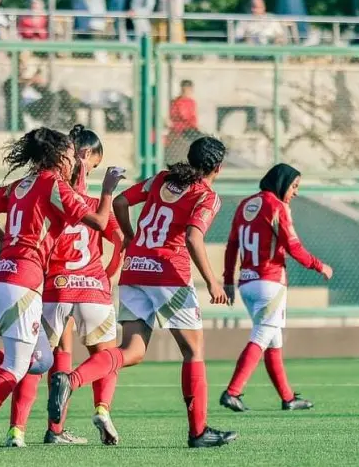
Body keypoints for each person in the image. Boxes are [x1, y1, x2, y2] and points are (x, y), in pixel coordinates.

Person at [48, 136, 238, 448]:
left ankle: (71, 379)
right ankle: (198, 432)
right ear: (218, 167)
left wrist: (133, 236)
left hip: (135, 269)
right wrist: (213, 282)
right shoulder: (206, 195)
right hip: (169, 276)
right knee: (193, 352)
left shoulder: (161, 179)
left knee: (133, 351)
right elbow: (192, 237)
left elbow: (120, 202)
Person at [0, 126, 125, 447]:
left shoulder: (23, 184)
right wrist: (109, 190)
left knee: (39, 360)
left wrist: (7, 242)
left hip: (4, 276)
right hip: (24, 281)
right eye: (72, 157)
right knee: (18, 364)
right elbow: (100, 223)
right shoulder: (53, 185)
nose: (75, 162)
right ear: (61, 157)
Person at [220, 164, 332, 413]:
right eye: (294, 186)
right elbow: (293, 246)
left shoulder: (244, 205)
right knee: (262, 337)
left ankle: (288, 398)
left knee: (273, 340)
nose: (296, 192)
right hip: (270, 282)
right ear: (281, 183)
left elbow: (231, 246)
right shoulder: (276, 206)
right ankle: (232, 391)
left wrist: (228, 280)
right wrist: (319, 265)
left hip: (247, 283)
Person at [167, 79, 202, 164]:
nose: (187, 92)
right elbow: (183, 116)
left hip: (190, 129)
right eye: (185, 89)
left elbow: (193, 118)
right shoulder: (177, 102)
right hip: (181, 130)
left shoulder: (191, 102)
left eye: (189, 89)